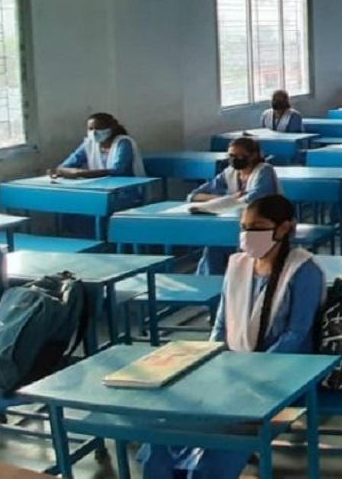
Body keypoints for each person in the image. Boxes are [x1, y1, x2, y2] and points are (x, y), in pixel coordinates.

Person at [139, 195, 325, 479]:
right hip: (234, 368)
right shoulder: (238, 265)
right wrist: (215, 361)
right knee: (166, 427)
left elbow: (296, 334)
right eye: (244, 227)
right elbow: (222, 323)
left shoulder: (303, 270)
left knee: (224, 441)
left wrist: (251, 370)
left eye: (257, 227)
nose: (248, 234)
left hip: (282, 372)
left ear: (285, 228)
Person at [189, 137, 282, 275]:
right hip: (236, 224)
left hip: (266, 226)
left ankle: (243, 277)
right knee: (214, 245)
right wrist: (226, 198)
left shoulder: (264, 171)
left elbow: (255, 198)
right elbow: (193, 196)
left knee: (237, 245)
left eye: (240, 156)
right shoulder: (230, 172)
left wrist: (228, 201)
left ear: (253, 155)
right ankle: (212, 281)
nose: (234, 159)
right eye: (231, 156)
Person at [53, 112, 146, 178]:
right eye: (90, 129)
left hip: (127, 188)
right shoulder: (89, 144)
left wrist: (81, 173)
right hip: (101, 186)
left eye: (99, 128)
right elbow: (65, 166)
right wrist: (64, 171)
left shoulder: (123, 142)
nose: (94, 133)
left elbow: (118, 170)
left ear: (112, 127)